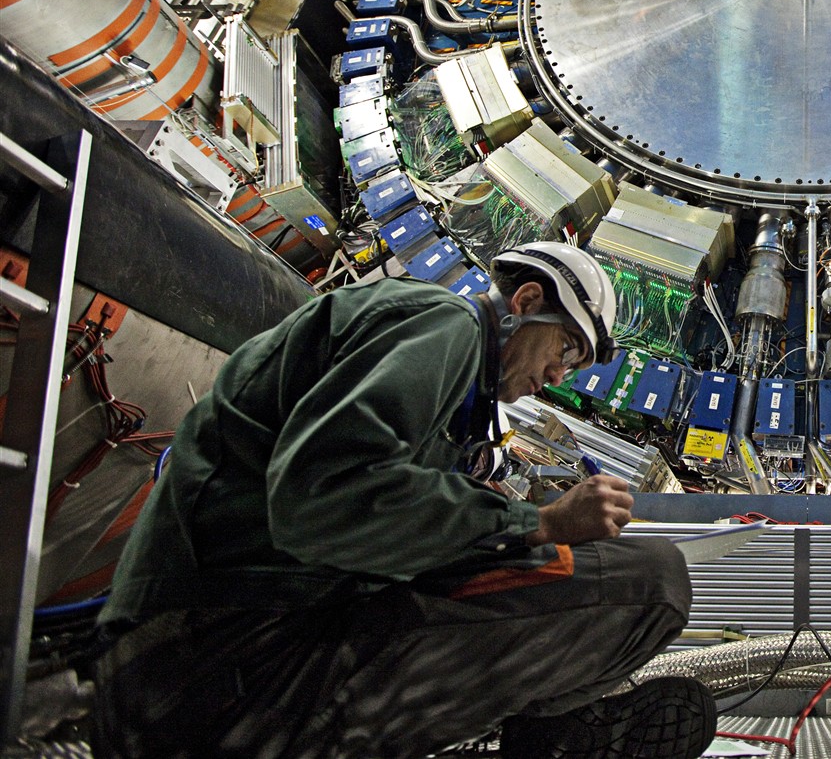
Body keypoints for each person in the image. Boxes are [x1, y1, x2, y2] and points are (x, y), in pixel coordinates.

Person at [93, 242, 716, 759]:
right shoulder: (442, 324)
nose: (559, 376)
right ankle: (552, 742)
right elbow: (323, 496)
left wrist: (487, 519)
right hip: (216, 665)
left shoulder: (444, 374)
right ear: (526, 301)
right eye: (567, 350)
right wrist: (539, 521)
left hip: (204, 667)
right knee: (650, 583)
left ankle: (552, 736)